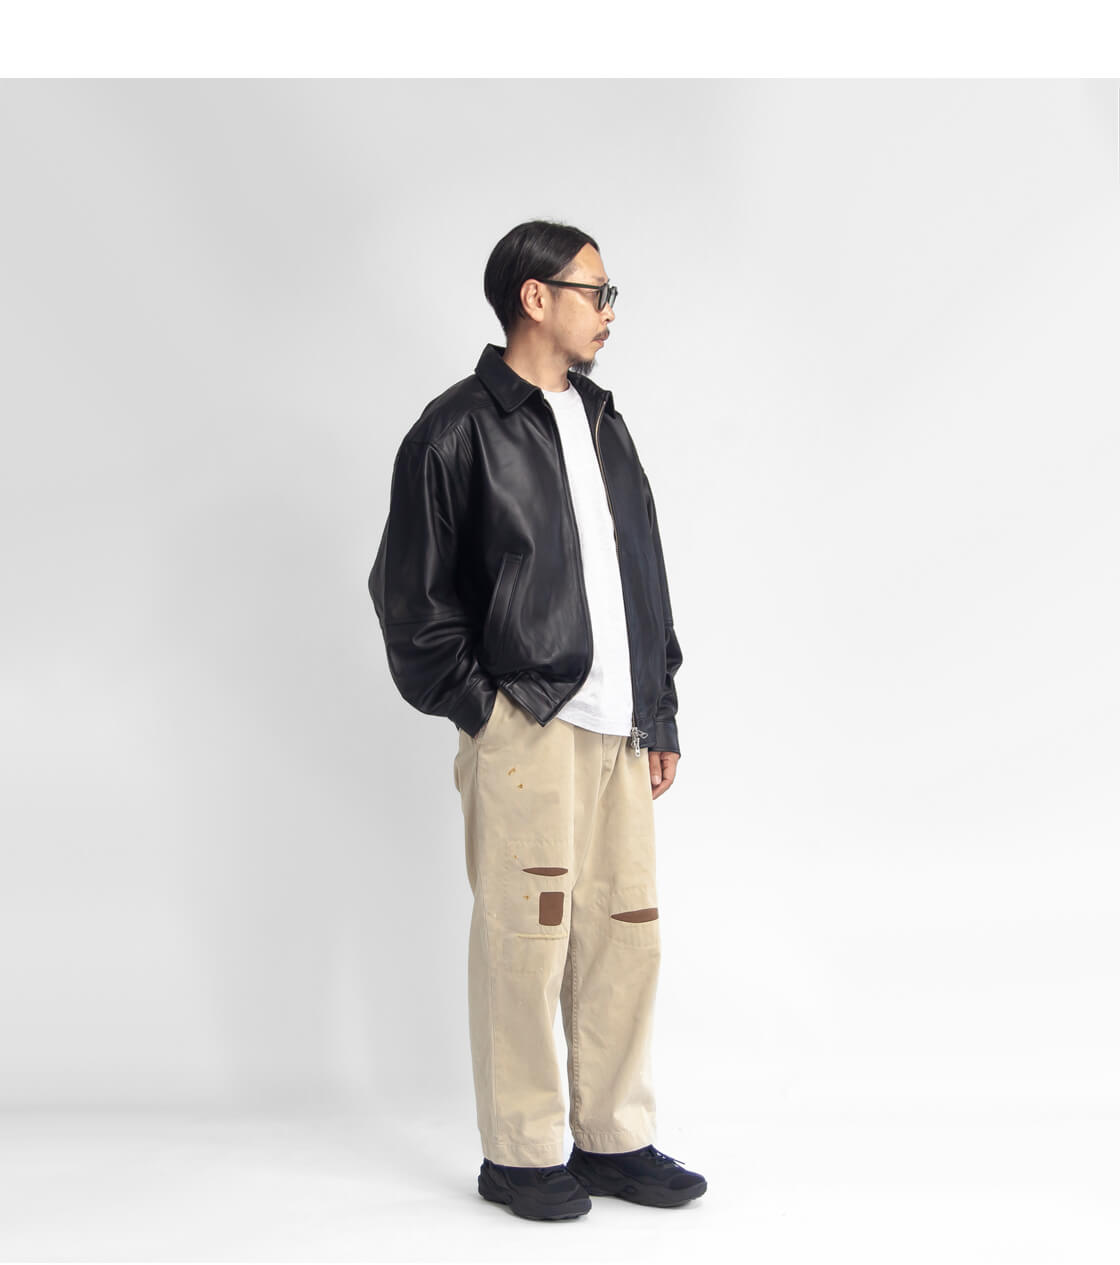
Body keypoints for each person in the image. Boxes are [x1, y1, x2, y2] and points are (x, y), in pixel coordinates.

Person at [368, 220, 707, 1220]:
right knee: (527, 937)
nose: (608, 312)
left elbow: (641, 574)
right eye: (595, 292)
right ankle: (519, 1153)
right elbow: (409, 600)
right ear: (535, 297)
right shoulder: (455, 429)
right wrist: (487, 709)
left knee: (625, 936)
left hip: (619, 728)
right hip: (529, 722)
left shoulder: (604, 422)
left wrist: (659, 708)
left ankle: (613, 1138)